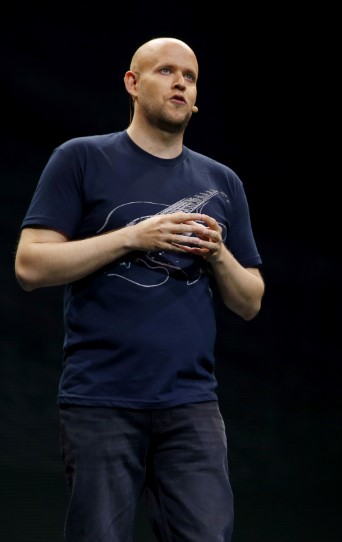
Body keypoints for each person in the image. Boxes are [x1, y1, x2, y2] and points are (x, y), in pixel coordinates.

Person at [14, 37, 264, 541]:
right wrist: (134, 236)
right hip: (102, 400)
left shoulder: (222, 182)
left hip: (191, 404)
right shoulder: (82, 158)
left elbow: (250, 300)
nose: (179, 83)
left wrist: (218, 254)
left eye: (189, 77)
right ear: (132, 83)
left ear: (196, 98)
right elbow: (30, 264)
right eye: (165, 71)